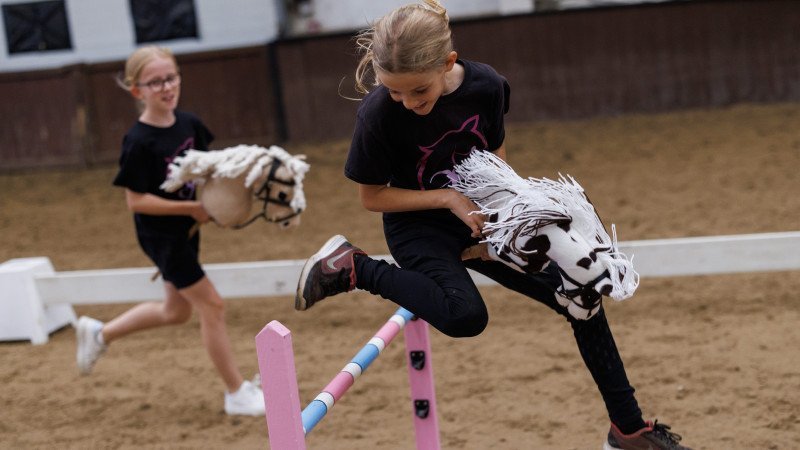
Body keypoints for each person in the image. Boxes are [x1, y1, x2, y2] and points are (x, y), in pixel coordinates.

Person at [294, 1, 692, 448]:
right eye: (395, 93)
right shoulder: (378, 115)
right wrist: (448, 198)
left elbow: (495, 159)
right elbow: (372, 197)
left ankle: (628, 429)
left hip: (483, 217)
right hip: (417, 227)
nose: (406, 103)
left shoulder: (486, 85)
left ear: (447, 64)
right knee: (466, 317)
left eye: (417, 92)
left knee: (578, 294)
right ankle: (353, 267)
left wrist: (505, 226)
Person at [75, 46, 264, 417]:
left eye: (171, 77)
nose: (166, 87)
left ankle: (99, 334)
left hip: (188, 231)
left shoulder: (190, 124)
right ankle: (236, 392)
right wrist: (192, 208)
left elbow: (209, 172)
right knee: (213, 304)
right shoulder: (138, 141)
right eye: (156, 81)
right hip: (162, 238)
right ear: (137, 90)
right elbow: (136, 201)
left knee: (175, 312)